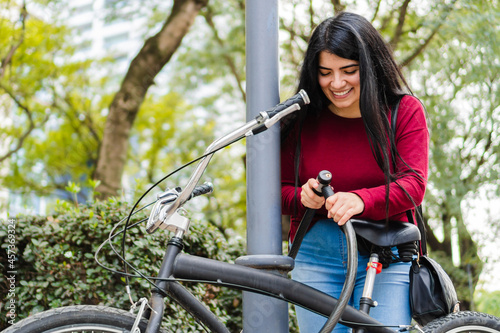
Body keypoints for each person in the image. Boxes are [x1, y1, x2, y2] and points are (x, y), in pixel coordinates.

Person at [280, 12, 429, 332]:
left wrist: (361, 201)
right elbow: (277, 191)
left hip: (386, 255)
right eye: (325, 72)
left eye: (349, 71)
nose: (336, 83)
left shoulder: (404, 111)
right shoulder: (299, 120)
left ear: (371, 65)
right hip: (314, 256)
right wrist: (303, 197)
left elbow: (414, 184)